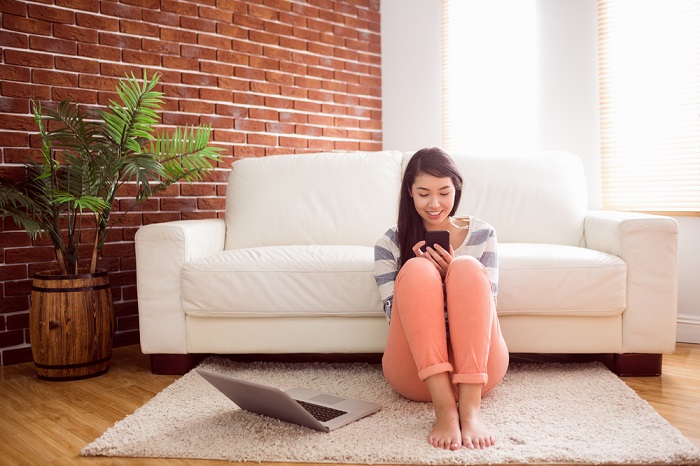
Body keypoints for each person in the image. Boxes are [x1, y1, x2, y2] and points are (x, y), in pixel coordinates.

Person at [374, 147, 509, 451]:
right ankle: (445, 408)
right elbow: (394, 317)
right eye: (423, 193)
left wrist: (452, 275)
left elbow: (488, 311)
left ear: (456, 189)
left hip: (478, 370)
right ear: (409, 191)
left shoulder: (483, 233)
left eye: (444, 192)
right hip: (417, 374)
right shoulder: (388, 244)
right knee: (418, 269)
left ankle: (470, 409)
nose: (434, 204)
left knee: (466, 267)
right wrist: (422, 277)